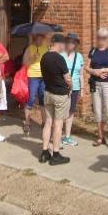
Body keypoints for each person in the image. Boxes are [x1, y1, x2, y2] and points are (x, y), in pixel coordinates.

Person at [39, 34, 71, 165]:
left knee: (48, 122)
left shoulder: (44, 57)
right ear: (59, 44)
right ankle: (56, 154)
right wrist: (71, 86)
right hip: (59, 94)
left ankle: (44, 152)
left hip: (48, 92)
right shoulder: (59, 59)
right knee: (58, 124)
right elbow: (67, 78)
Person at [85, 27, 108, 151]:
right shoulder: (93, 51)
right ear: (96, 38)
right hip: (96, 84)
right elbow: (86, 67)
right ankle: (100, 136)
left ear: (106, 39)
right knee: (98, 111)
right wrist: (95, 72)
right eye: (99, 37)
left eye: (104, 38)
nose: (101, 40)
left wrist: (102, 70)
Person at [22, 32, 49, 134]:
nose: (40, 40)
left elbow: (48, 61)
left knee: (43, 99)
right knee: (31, 98)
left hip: (43, 76)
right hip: (33, 76)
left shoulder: (45, 48)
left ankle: (44, 122)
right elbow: (24, 63)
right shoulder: (30, 48)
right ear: (35, 39)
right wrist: (33, 58)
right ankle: (27, 122)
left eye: (41, 38)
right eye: (38, 38)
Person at [61, 32, 84, 147]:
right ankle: (56, 135)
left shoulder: (79, 56)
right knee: (60, 112)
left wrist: (82, 88)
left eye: (73, 42)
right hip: (63, 87)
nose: (70, 44)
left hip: (75, 87)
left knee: (70, 112)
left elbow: (81, 74)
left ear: (75, 44)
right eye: (68, 41)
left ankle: (67, 136)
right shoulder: (61, 55)